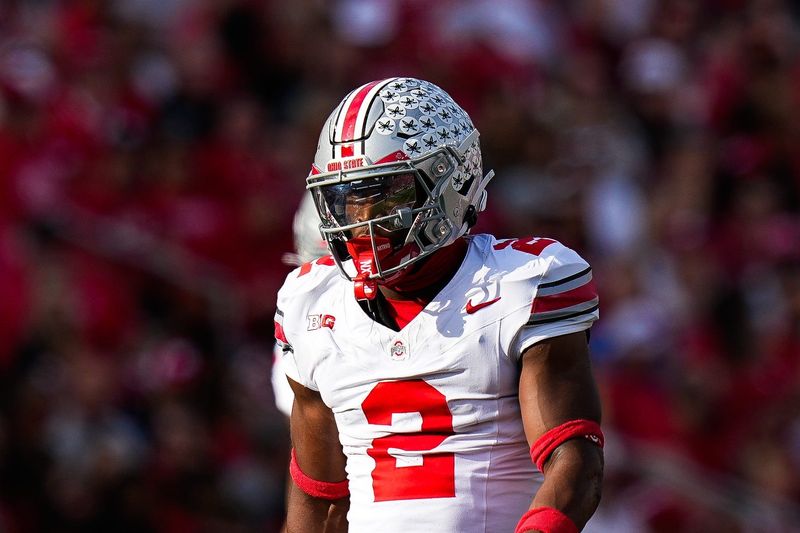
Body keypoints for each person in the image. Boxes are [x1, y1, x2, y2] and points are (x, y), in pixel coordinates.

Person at [275, 77, 604, 533]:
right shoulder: (311, 304)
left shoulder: (519, 284)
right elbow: (320, 500)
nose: (362, 222)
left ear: (452, 179)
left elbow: (576, 461)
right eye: (347, 200)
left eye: (386, 194)